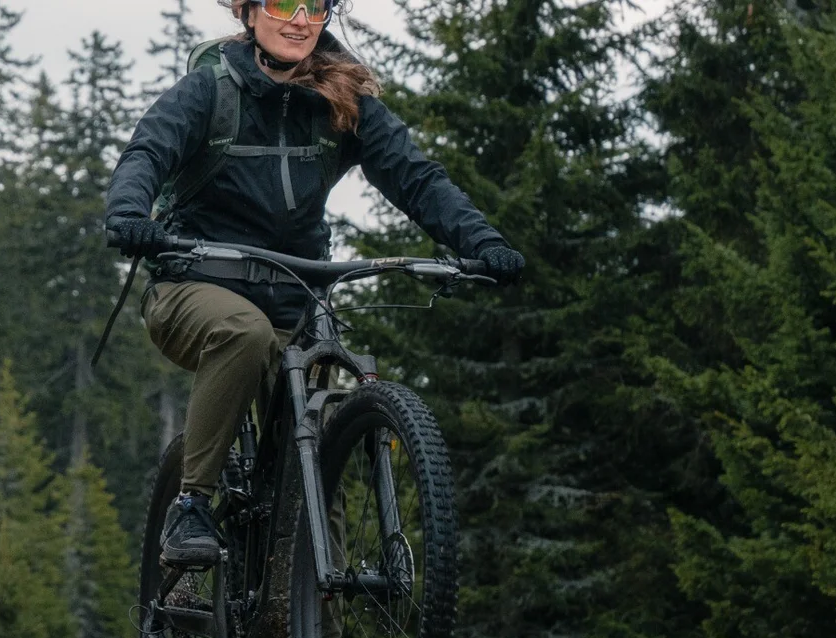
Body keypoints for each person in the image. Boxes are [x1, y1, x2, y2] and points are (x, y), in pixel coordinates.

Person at [104, 0, 525, 566]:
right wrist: (131, 213)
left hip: (296, 299)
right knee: (243, 332)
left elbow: (418, 178)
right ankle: (192, 504)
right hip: (193, 285)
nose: (300, 19)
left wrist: (483, 243)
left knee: (317, 462)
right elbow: (147, 152)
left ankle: (317, 616)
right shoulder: (208, 91)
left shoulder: (345, 100)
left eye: (316, 7)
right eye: (282, 3)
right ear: (250, 13)